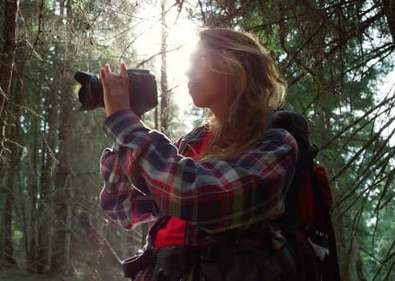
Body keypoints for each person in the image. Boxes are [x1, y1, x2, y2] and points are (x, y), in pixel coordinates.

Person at [98, 27, 298, 281]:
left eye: (200, 59)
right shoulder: (189, 147)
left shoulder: (276, 143)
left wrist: (125, 125)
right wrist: (126, 125)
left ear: (236, 63)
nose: (188, 71)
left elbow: (203, 197)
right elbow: (122, 208)